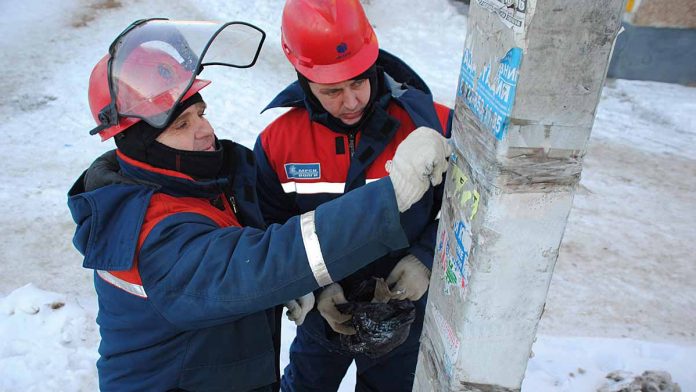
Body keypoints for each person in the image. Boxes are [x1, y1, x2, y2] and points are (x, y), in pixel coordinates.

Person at [67, 20, 451, 392]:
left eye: (200, 114)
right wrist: (390, 197)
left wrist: (426, 257)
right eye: (181, 125)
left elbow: (257, 240)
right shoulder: (160, 232)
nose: (205, 131)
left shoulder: (196, 188)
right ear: (141, 142)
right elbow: (265, 257)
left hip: (396, 316)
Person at [253, 0, 454, 390]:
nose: (351, 101)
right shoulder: (278, 144)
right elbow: (271, 230)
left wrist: (427, 259)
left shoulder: (430, 127)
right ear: (302, 76)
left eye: (359, 81)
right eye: (331, 90)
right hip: (325, 318)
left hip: (404, 314)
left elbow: (467, 211)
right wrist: (313, 288)